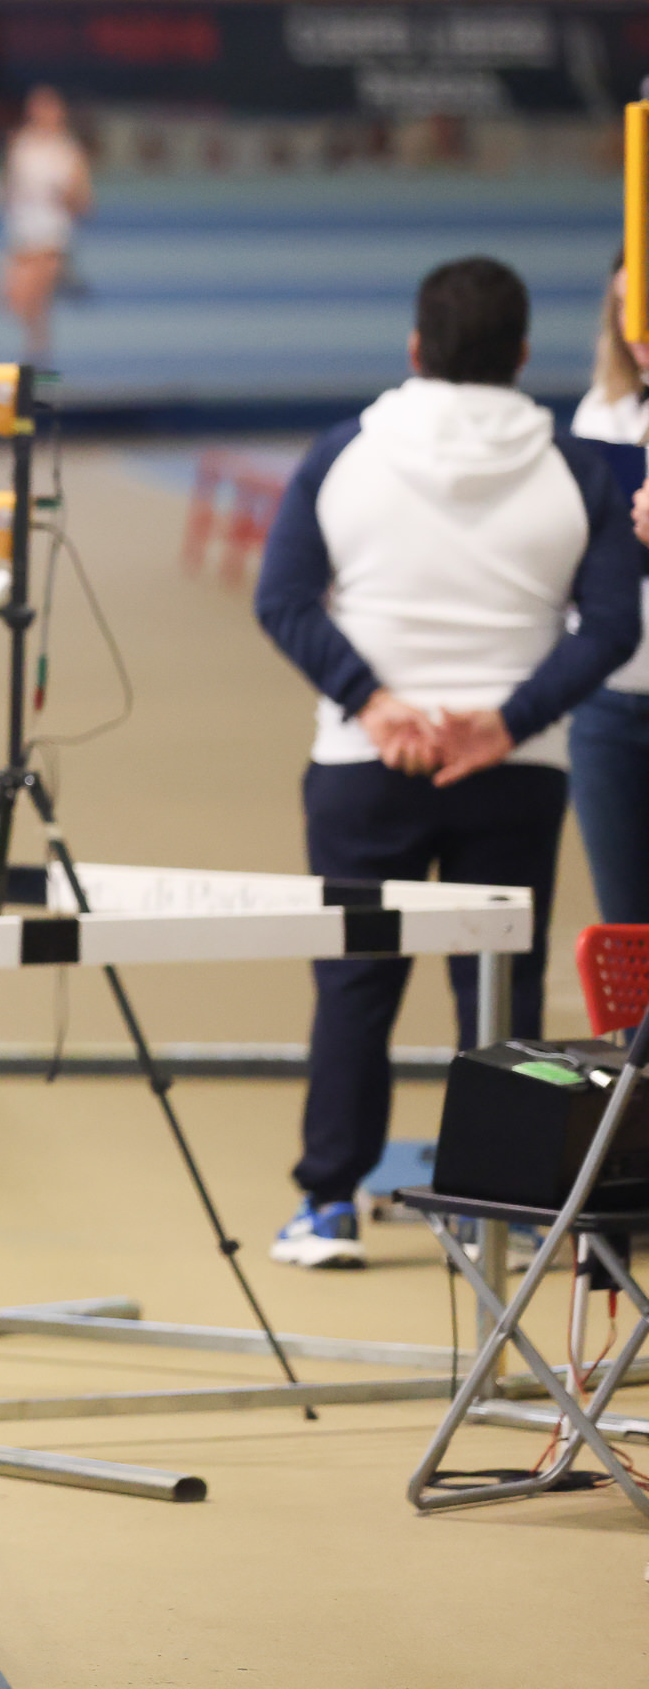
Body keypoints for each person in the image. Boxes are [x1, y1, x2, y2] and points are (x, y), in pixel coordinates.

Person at [253, 256, 641, 1268]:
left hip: (362, 762)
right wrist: (506, 723)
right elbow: (612, 626)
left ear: (416, 347)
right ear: (522, 352)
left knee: (355, 984)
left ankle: (327, 1203)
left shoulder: (344, 452)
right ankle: (496, 1206)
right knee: (499, 992)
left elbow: (282, 600)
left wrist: (375, 703)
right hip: (514, 770)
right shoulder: (573, 467)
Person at [569, 262, 649, 923]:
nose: (636, 326)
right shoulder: (603, 409)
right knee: (626, 924)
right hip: (610, 701)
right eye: (625, 306)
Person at [0, 86, 91, 360]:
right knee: (14, 303)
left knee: (36, 305)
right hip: (22, 233)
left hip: (52, 235)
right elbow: (6, 189)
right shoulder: (21, 145)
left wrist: (66, 196)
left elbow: (85, 202)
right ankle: (40, 366)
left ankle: (40, 372)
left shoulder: (68, 151)